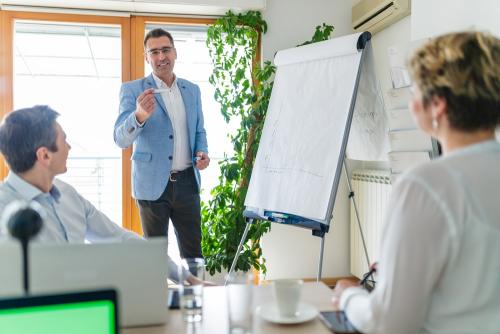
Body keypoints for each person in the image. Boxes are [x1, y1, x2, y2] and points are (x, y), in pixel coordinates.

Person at [332, 31, 500, 333]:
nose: (411, 102)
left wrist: (348, 296)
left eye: (415, 90)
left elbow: (387, 323)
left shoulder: (426, 185)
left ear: (438, 105)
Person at [0, 105, 199, 284]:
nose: (69, 147)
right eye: (64, 140)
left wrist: (185, 277)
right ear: (45, 155)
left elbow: (122, 240)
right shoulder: (4, 208)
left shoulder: (68, 196)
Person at [114, 28, 209, 259]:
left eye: (165, 50)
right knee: (155, 258)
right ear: (147, 57)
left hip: (187, 182)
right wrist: (138, 116)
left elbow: (199, 130)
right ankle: (157, 296)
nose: (160, 57)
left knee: (194, 254)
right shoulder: (132, 89)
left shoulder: (192, 90)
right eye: (154, 52)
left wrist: (202, 152)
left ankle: (194, 295)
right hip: (151, 183)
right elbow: (120, 139)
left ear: (175, 52)